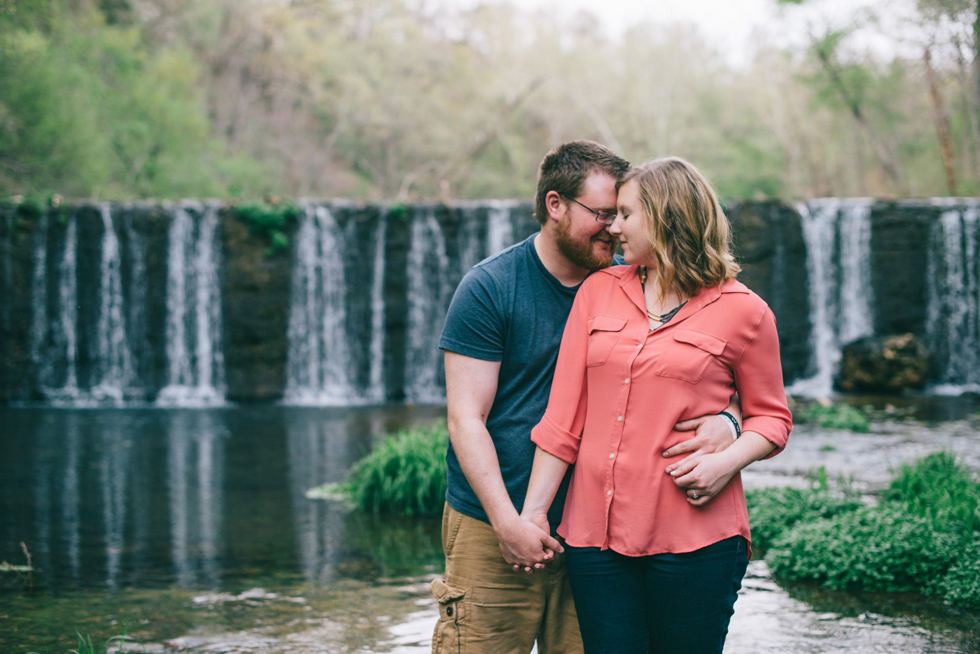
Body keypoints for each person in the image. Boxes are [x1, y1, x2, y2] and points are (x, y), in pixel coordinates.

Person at [430, 142, 744, 654]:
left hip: (600, 538)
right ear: (555, 205)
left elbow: (725, 377)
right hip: (494, 522)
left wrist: (729, 424)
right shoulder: (489, 287)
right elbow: (466, 418)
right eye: (602, 213)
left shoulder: (645, 282)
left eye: (622, 214)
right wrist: (509, 522)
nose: (614, 228)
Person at [515, 156, 793, 654]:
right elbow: (563, 418)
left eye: (626, 214)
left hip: (697, 537)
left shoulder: (746, 311)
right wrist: (535, 512)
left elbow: (772, 417)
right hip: (594, 540)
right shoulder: (598, 290)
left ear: (666, 216)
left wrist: (725, 461)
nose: (613, 227)